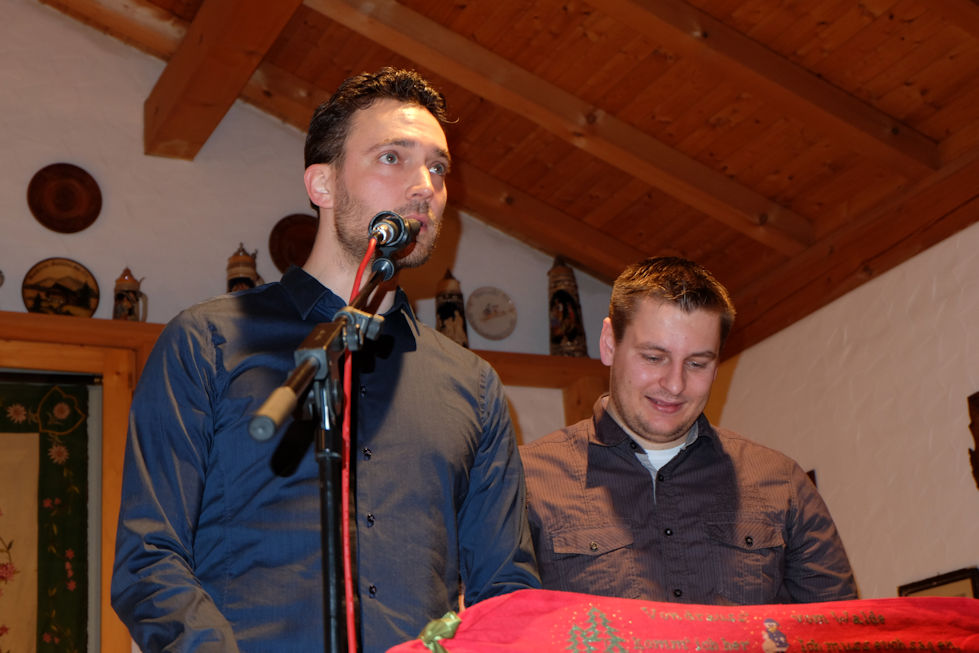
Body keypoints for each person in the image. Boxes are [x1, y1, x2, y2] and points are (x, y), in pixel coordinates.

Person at [111, 67, 540, 653]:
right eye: (392, 158)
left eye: (438, 168)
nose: (424, 186)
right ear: (322, 184)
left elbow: (506, 592)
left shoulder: (474, 385)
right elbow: (149, 557)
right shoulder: (206, 342)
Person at [520, 257, 857, 604]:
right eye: (654, 357)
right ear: (609, 343)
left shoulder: (782, 484)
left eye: (697, 363)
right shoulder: (525, 483)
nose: (675, 384)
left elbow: (841, 627)